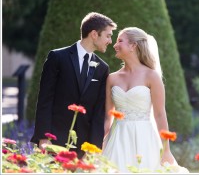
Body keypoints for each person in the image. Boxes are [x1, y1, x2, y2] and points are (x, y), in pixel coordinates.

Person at [30, 12, 117, 158]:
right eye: (108, 35)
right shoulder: (57, 57)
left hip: (83, 146)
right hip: (53, 140)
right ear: (94, 34)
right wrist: (44, 138)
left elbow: (98, 112)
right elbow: (45, 100)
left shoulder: (103, 69)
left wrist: (93, 148)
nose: (110, 41)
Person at [102, 27, 188, 173]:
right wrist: (100, 143)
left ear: (133, 46)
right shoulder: (112, 78)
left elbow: (160, 114)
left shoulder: (152, 76)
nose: (115, 45)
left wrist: (166, 150)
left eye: (120, 41)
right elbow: (107, 117)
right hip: (117, 139)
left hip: (145, 138)